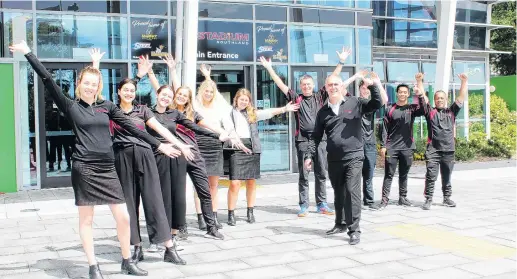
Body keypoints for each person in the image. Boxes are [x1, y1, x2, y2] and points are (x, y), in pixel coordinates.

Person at [10, 41, 180, 278]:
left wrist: (159, 144)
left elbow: (134, 128)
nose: (90, 87)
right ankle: (93, 266)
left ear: (99, 85)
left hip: (108, 169)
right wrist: (28, 52)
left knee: (123, 217)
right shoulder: (70, 105)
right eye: (87, 83)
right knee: (87, 220)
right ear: (80, 84)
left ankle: (126, 260)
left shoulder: (107, 106)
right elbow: (47, 79)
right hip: (84, 169)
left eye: (94, 83)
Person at [90, 50, 192, 266]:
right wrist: (96, 64)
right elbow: (95, 93)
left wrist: (179, 144)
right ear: (118, 92)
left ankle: (168, 248)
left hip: (146, 156)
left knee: (154, 201)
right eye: (125, 90)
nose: (129, 93)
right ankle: (136, 247)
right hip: (122, 158)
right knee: (129, 205)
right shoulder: (111, 109)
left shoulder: (143, 110)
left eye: (132, 90)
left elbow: (161, 130)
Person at [149, 54, 245, 234]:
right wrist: (160, 72)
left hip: (193, 152)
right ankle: (179, 226)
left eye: (185, 96)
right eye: (179, 95)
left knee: (204, 189)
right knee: (177, 194)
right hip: (175, 154)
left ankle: (211, 225)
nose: (181, 97)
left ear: (189, 98)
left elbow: (204, 125)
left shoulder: (192, 112)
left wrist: (222, 134)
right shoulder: (169, 111)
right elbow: (163, 90)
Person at [260, 47, 361, 217]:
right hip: (302, 140)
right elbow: (280, 84)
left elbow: (332, 80)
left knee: (321, 173)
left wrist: (341, 61)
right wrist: (269, 68)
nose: (306, 87)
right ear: (300, 86)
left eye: (309, 84)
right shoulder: (296, 97)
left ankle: (322, 204)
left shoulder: (320, 96)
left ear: (313, 85)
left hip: (321, 141)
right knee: (304, 174)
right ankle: (304, 205)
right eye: (303, 85)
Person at [304, 74, 382, 245]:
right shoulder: (323, 112)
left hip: (354, 156)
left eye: (336, 84)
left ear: (342, 86)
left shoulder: (355, 102)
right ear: (325, 88)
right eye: (330, 85)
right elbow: (316, 136)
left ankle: (354, 230)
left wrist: (373, 86)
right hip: (333, 159)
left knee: (352, 191)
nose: (333, 87)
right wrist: (309, 155)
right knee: (339, 193)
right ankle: (340, 223)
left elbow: (377, 104)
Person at [226, 88, 299, 225]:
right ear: (236, 99)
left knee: (251, 182)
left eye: (246, 100)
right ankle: (231, 213)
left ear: (249, 102)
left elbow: (268, 112)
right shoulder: (229, 112)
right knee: (235, 183)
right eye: (241, 99)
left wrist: (284, 109)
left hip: (252, 149)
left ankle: (250, 211)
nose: (243, 102)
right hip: (236, 148)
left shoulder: (252, 113)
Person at [194, 64, 240, 229]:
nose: (209, 93)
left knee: (213, 184)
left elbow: (227, 120)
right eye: (206, 90)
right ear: (201, 91)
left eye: (211, 91)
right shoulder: (195, 105)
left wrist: (208, 77)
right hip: (199, 144)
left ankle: (212, 216)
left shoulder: (219, 107)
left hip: (215, 145)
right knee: (200, 184)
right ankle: (200, 217)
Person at [374, 74, 425, 210]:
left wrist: (419, 93)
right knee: (389, 175)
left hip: (407, 147)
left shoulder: (412, 109)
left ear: (408, 94)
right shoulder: (390, 109)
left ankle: (402, 198)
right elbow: (383, 129)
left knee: (404, 174)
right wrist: (383, 146)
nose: (402, 94)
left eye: (405, 92)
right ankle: (384, 200)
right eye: (400, 92)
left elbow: (425, 109)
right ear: (397, 94)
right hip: (392, 147)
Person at [420, 73, 468, 210]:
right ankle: (428, 199)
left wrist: (464, 82)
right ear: (434, 100)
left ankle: (447, 198)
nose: (440, 100)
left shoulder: (452, 111)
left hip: (448, 149)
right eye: (437, 98)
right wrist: (419, 81)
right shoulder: (430, 112)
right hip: (433, 150)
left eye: (442, 98)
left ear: (446, 99)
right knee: (431, 175)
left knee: (447, 175)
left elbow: (461, 97)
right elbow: (423, 98)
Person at [357, 73, 389, 209]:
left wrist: (377, 83)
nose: (366, 90)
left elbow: (384, 100)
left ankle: (369, 201)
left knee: (369, 173)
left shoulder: (372, 104)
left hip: (369, 143)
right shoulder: (354, 102)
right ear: (359, 89)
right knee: (353, 174)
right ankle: (353, 200)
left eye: (368, 88)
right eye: (364, 88)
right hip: (355, 144)